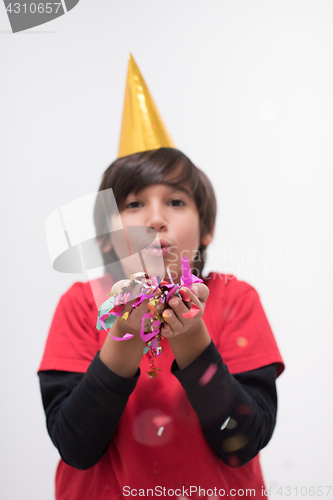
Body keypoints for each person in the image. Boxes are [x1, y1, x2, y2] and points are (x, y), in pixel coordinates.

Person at [38, 147, 284, 500]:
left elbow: (243, 440)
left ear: (206, 229)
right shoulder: (80, 305)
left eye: (176, 202)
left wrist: (192, 335)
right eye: (134, 204)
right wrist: (123, 333)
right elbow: (76, 446)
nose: (155, 219)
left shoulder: (235, 299)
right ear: (106, 237)